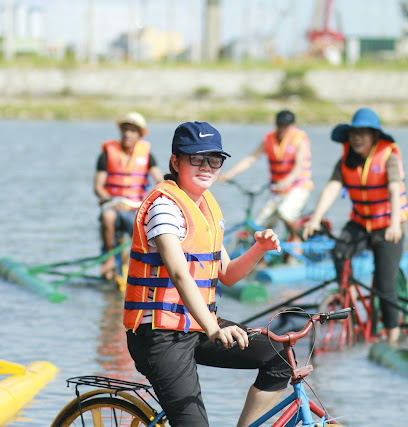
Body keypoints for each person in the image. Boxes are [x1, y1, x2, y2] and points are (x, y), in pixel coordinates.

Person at [124, 121, 291, 426]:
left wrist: (259, 249)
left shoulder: (206, 207)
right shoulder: (164, 207)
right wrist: (214, 329)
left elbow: (226, 274)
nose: (207, 166)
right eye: (196, 158)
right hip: (159, 337)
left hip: (196, 326)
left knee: (279, 355)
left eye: (214, 160)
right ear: (176, 162)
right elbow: (179, 273)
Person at [302, 107, 407, 345]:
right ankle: (343, 297)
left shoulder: (388, 157)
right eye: (353, 133)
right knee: (339, 251)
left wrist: (394, 224)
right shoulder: (345, 160)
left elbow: (394, 189)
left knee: (385, 285)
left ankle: (392, 336)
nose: (357, 138)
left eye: (363, 133)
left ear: (374, 136)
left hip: (388, 225)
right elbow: (332, 188)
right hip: (360, 223)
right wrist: (315, 218)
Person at [220, 110, 312, 258]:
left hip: (297, 187)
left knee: (286, 212)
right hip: (276, 189)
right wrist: (229, 174)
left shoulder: (299, 140)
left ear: (292, 126)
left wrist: (287, 181)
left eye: (286, 126)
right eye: (280, 125)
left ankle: (296, 238)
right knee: (259, 223)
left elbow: (299, 166)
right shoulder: (269, 139)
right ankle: (261, 256)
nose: (282, 129)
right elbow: (251, 159)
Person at [94, 111, 163, 280]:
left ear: (140, 135)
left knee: (147, 226)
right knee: (108, 216)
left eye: (132, 130)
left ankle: (143, 267)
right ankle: (109, 258)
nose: (127, 134)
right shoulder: (106, 154)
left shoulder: (147, 156)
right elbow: (98, 187)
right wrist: (112, 200)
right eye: (125, 129)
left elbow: (159, 180)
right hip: (114, 204)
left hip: (137, 207)